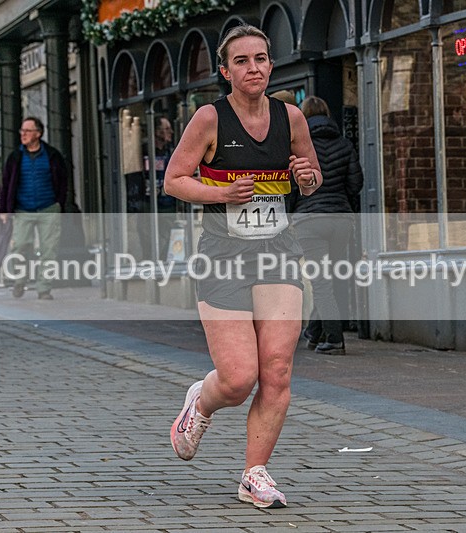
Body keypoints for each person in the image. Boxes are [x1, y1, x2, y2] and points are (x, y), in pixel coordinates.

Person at [164, 24, 321, 509]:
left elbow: (312, 179)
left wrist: (307, 176)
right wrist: (220, 194)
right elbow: (174, 180)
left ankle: (254, 473)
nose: (253, 68)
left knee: (276, 369)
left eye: (261, 59)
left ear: (270, 64)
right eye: (242, 61)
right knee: (237, 379)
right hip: (223, 257)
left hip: (278, 253)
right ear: (225, 70)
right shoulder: (209, 119)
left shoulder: (291, 117)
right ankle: (200, 402)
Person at [290, 96, 364, 355]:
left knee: (320, 282)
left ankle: (334, 338)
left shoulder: (299, 148)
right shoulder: (344, 144)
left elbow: (290, 188)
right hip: (340, 219)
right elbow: (356, 184)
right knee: (332, 276)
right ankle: (313, 331)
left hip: (310, 221)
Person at [0, 116, 69, 300]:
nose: (23, 134)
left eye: (27, 131)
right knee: (20, 246)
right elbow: (6, 183)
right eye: (22, 131)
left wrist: (59, 204)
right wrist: (4, 210)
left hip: (49, 208)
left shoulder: (53, 155)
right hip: (23, 209)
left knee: (49, 251)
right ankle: (19, 280)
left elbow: (63, 181)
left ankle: (44, 289)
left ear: (38, 134)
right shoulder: (15, 157)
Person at [140, 115, 177, 260]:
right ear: (157, 132)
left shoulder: (172, 151)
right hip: (148, 201)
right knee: (146, 233)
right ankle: (150, 261)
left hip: (167, 201)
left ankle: (163, 259)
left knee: (171, 233)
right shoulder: (144, 151)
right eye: (166, 129)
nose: (171, 132)